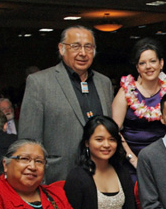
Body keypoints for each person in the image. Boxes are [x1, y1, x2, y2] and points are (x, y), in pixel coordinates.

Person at [19, 25, 113, 183]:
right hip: (58, 178)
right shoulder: (40, 82)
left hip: (100, 177)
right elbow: (28, 141)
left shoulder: (104, 83)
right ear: (61, 49)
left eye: (88, 47)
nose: (82, 53)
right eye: (75, 46)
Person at [64, 116, 137, 209]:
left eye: (112, 139)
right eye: (99, 139)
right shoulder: (77, 177)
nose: (106, 145)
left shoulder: (122, 172)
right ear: (87, 142)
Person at [112, 38, 166, 181]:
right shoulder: (125, 92)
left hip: (162, 161)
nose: (148, 67)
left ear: (161, 63)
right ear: (137, 68)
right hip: (131, 163)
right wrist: (133, 160)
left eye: (153, 61)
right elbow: (114, 131)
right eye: (142, 63)